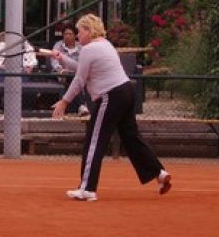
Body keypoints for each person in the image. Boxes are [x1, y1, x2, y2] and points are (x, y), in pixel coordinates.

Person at [51, 14, 172, 202]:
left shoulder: (89, 49)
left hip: (110, 95)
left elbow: (80, 79)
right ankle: (159, 172)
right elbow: (83, 68)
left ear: (89, 31)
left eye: (79, 31)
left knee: (94, 141)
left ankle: (87, 189)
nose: (77, 36)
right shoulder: (105, 44)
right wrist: (62, 59)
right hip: (126, 91)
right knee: (131, 137)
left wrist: (64, 101)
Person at [50, 25, 89, 115]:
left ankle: (75, 107)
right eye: (65, 34)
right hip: (60, 72)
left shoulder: (81, 47)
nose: (67, 36)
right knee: (69, 78)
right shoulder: (58, 45)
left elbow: (82, 63)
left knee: (72, 79)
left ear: (75, 35)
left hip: (75, 73)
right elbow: (54, 59)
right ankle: (81, 105)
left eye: (70, 34)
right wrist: (59, 69)